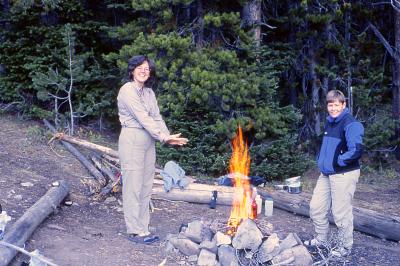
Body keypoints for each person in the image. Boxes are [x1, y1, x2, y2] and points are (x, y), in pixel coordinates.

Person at [117, 55, 188, 244]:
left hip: (149, 141)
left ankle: (143, 227)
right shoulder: (127, 90)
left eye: (147, 68)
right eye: (139, 67)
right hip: (132, 138)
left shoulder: (149, 93)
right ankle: (134, 230)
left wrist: (168, 138)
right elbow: (143, 118)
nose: (143, 71)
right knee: (133, 185)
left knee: (146, 185)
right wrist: (163, 136)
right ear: (132, 70)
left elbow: (156, 118)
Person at [305, 90, 364, 257]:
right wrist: (322, 160)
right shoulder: (330, 123)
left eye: (337, 105)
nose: (333, 108)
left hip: (343, 174)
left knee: (340, 213)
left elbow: (357, 150)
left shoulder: (351, 123)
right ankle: (321, 239)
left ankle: (344, 247)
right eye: (330, 105)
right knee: (316, 208)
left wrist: (338, 162)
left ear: (343, 105)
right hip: (326, 174)